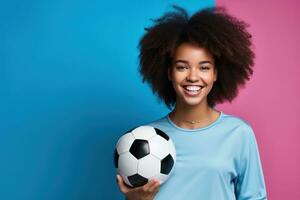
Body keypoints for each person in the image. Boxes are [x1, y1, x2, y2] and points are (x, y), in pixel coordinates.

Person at [116, 5, 267, 200]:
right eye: (182, 67)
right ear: (169, 72)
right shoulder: (145, 138)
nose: (193, 77)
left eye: (204, 68)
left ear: (216, 74)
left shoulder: (239, 134)